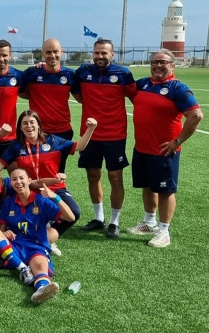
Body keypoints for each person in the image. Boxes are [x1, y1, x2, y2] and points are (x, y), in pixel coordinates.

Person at [127, 49, 204, 248]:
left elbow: (196, 115)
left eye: (163, 62)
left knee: (165, 191)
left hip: (163, 151)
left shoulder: (177, 88)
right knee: (147, 186)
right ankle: (149, 222)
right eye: (155, 62)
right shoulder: (143, 84)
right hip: (142, 148)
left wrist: (176, 142)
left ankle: (164, 231)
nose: (158, 65)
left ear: (172, 65)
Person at [0, 110, 97, 251]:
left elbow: (79, 146)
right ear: (20, 127)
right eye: (24, 123)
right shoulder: (16, 146)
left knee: (74, 213)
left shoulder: (53, 141)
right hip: (30, 190)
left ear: (38, 125)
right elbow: (1, 164)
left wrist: (90, 129)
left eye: (32, 122)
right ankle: (32, 239)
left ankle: (48, 237)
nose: (29, 126)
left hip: (55, 188)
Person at [73, 38, 137, 238]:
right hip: (90, 135)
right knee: (93, 176)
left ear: (112, 54)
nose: (100, 56)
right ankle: (99, 219)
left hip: (114, 135)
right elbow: (76, 92)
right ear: (93, 54)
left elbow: (137, 98)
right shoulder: (83, 72)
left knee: (115, 177)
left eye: (104, 53)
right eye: (97, 53)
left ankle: (114, 222)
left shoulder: (123, 74)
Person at [0, 169, 75, 304]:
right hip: (14, 245)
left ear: (29, 181)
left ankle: (40, 290)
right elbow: (1, 230)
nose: (18, 182)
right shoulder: (8, 202)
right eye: (14, 179)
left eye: (21, 178)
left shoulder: (41, 201)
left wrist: (55, 197)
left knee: (40, 265)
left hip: (35, 245)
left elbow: (70, 217)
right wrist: (3, 233)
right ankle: (23, 269)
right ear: (10, 182)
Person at [19, 38, 77, 172]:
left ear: (62, 52)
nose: (52, 55)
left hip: (62, 131)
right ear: (43, 54)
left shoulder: (70, 74)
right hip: (37, 130)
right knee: (34, 169)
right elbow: (20, 90)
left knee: (58, 170)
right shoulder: (32, 73)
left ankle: (58, 193)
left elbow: (80, 97)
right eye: (48, 52)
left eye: (55, 51)